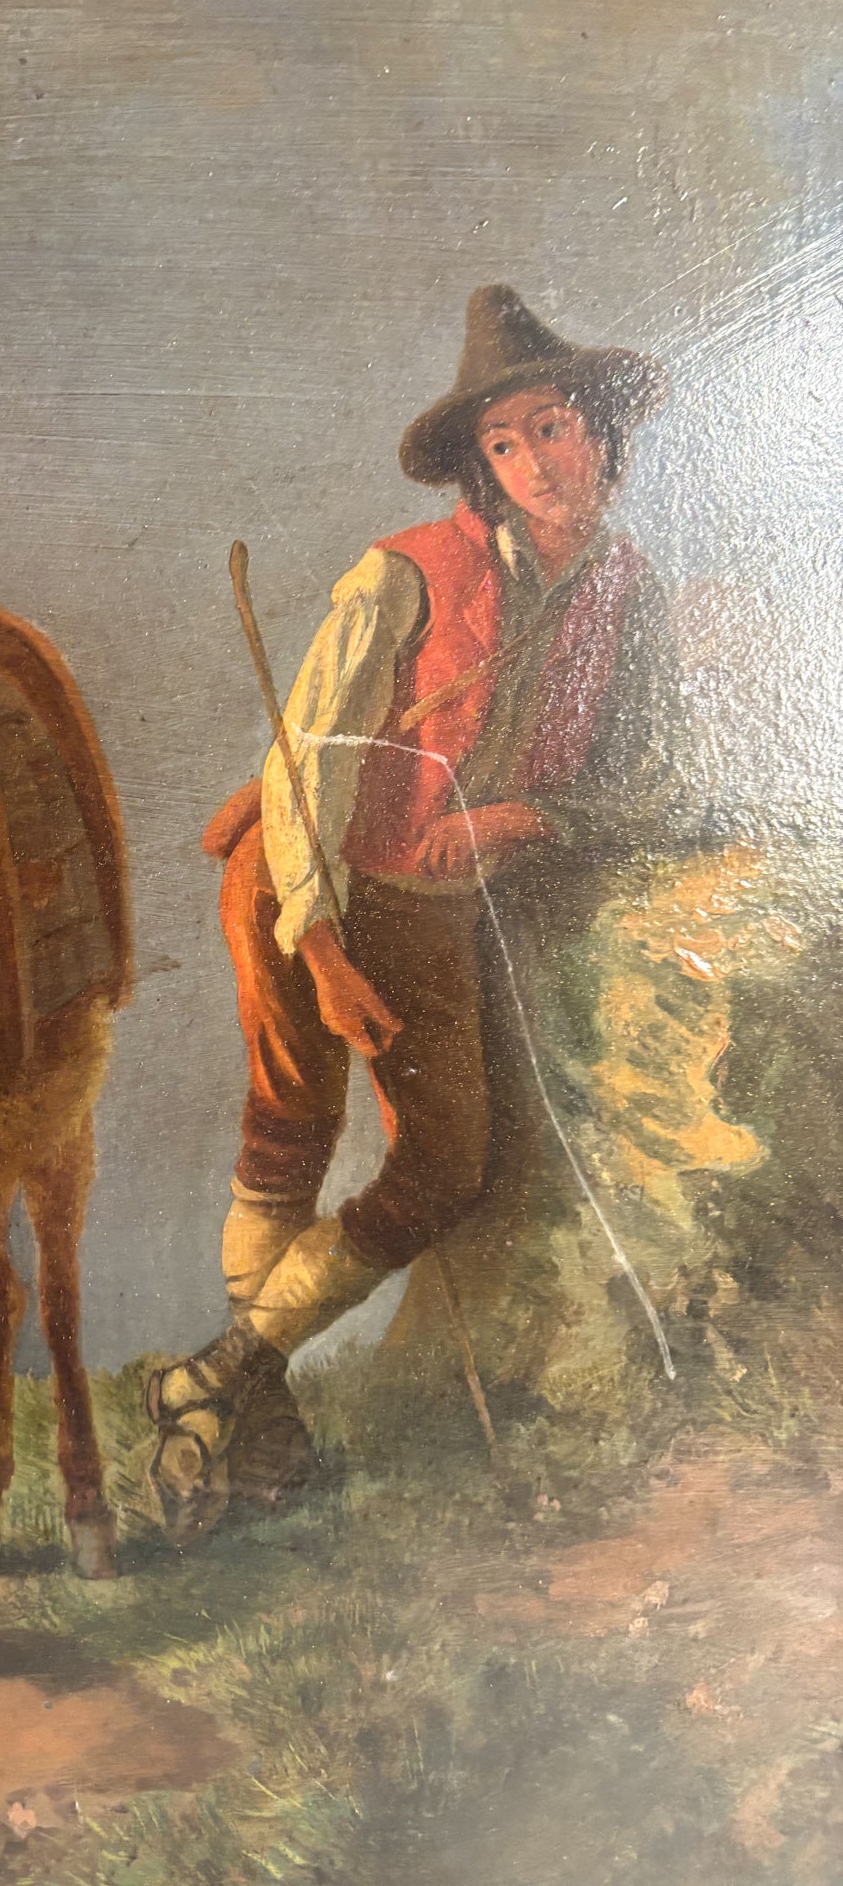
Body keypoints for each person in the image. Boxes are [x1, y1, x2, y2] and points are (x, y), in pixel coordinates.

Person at [147, 284, 691, 1544]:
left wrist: (524, 818)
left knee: (447, 1162)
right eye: (504, 442)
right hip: (305, 876)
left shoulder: (628, 591)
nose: (534, 461)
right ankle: (259, 1424)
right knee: (292, 1120)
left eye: (551, 426)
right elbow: (310, 768)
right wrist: (323, 948)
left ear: (599, 431)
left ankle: (222, 1372)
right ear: (481, 471)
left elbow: (654, 778)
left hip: (435, 900)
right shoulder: (402, 575)